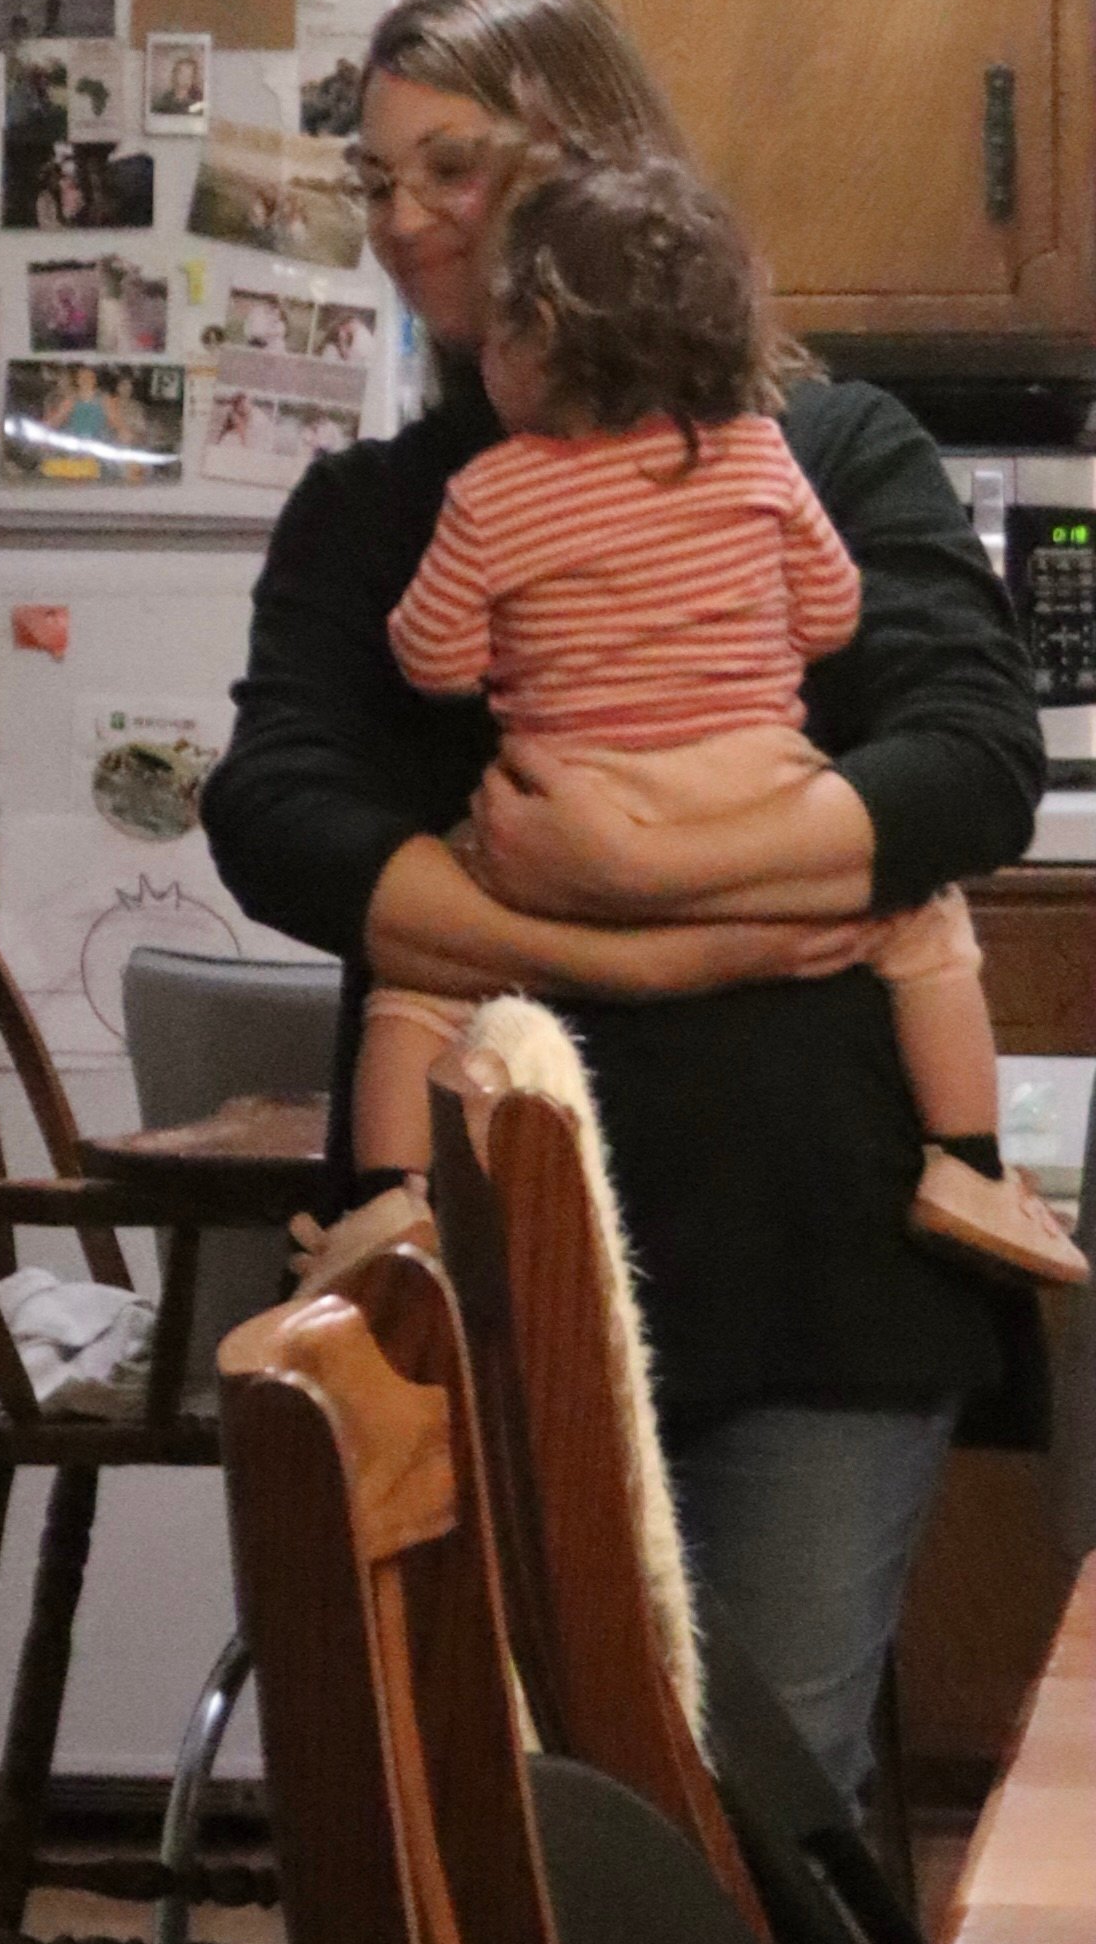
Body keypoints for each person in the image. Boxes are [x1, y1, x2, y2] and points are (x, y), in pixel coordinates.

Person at [203, 0, 1047, 1804]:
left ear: (585, 166)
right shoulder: (376, 505)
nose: (407, 218)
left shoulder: (825, 453)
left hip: (820, 1256)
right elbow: (274, 811)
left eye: (452, 167)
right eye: (378, 179)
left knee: (775, 1795)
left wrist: (629, 868)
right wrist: (646, 953)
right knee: (489, 1798)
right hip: (474, 1254)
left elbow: (978, 753)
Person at [350, 147, 1081, 1290]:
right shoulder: (758, 453)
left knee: (416, 983)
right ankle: (970, 1163)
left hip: (564, 794)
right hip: (757, 777)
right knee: (927, 929)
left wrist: (504, 663)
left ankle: (386, 1201)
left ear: (539, 332)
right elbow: (836, 608)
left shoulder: (489, 493)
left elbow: (434, 658)